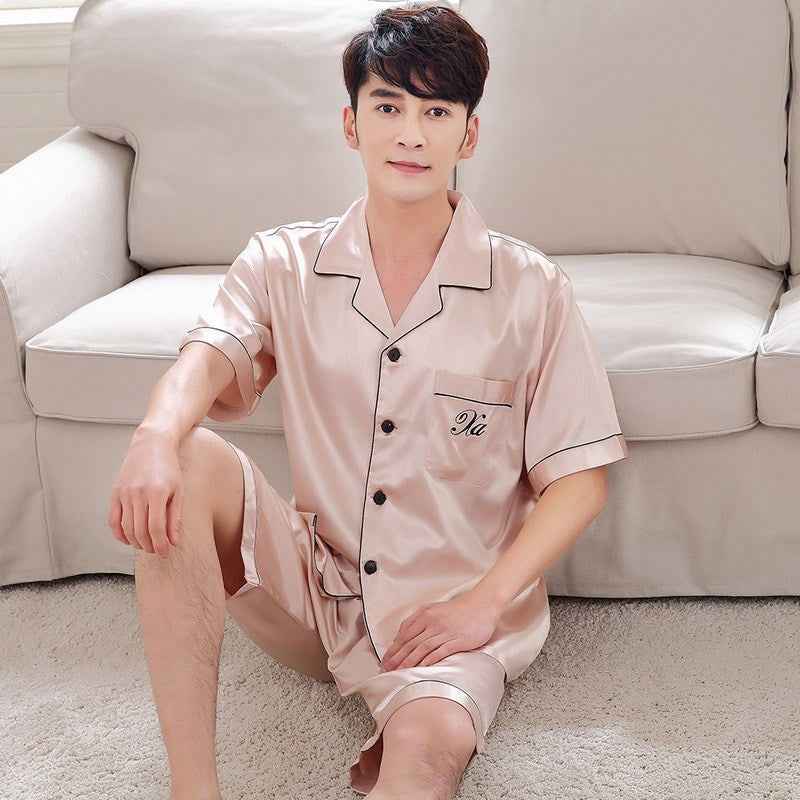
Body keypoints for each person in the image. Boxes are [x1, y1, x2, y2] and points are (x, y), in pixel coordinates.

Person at [108, 3, 629, 799]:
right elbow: (207, 356)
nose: (410, 135)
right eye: (388, 107)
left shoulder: (531, 289)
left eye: (436, 112)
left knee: (425, 761)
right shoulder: (283, 261)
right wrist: (152, 436)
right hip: (319, 589)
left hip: (449, 616)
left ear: (469, 135)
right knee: (182, 454)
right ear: (351, 125)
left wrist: (484, 605)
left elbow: (580, 480)